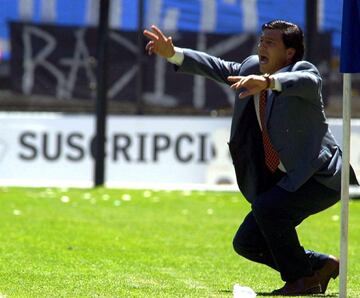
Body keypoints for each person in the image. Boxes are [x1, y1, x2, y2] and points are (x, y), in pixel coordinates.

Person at [143, 20, 358, 295]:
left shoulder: (303, 71)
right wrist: (173, 53)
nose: (261, 47)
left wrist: (268, 82)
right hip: (291, 178)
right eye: (261, 40)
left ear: (289, 53)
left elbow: (305, 80)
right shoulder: (251, 69)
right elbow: (218, 67)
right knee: (247, 241)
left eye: (270, 43)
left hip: (322, 176)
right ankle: (320, 265)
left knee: (269, 209)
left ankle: (301, 281)